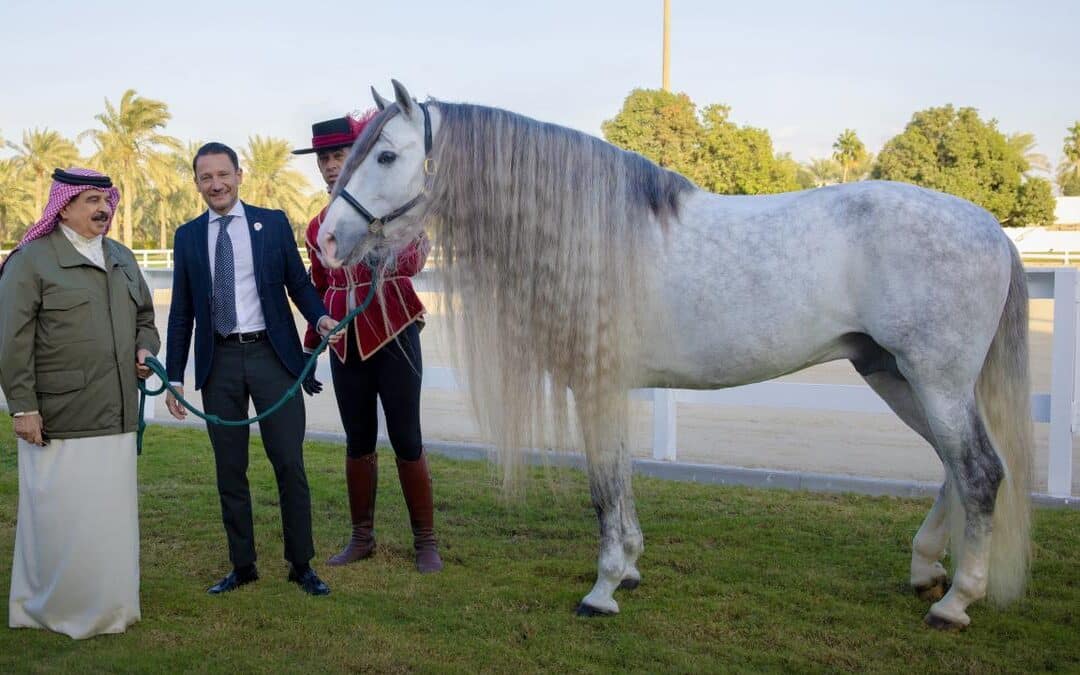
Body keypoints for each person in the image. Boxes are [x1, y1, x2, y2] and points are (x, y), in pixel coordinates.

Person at [165, 142, 341, 596]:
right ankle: (242, 566)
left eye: (223, 174)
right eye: (206, 177)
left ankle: (301, 564)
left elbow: (298, 283)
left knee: (289, 464)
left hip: (271, 357)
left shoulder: (272, 223)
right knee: (230, 470)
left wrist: (319, 316)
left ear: (239, 175)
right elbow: (181, 313)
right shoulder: (187, 237)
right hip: (218, 363)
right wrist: (175, 377)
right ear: (197, 183)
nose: (216, 184)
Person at [0, 168, 159, 639]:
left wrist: (145, 349)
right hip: (58, 419)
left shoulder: (124, 258)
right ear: (63, 206)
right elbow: (11, 340)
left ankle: (111, 607)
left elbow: (146, 318)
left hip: (117, 415)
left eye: (106, 199)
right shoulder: (31, 261)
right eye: (90, 199)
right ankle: (50, 608)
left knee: (109, 522)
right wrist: (23, 407)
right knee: (61, 521)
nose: (102, 209)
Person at [295, 113, 442, 573]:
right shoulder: (318, 223)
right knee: (357, 440)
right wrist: (312, 342)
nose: (330, 165)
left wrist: (388, 237)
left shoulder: (395, 209)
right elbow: (317, 284)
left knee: (406, 438)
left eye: (339, 155)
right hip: (344, 342)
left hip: (394, 331)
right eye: (324, 159)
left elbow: (416, 260)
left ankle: (426, 542)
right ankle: (362, 537)